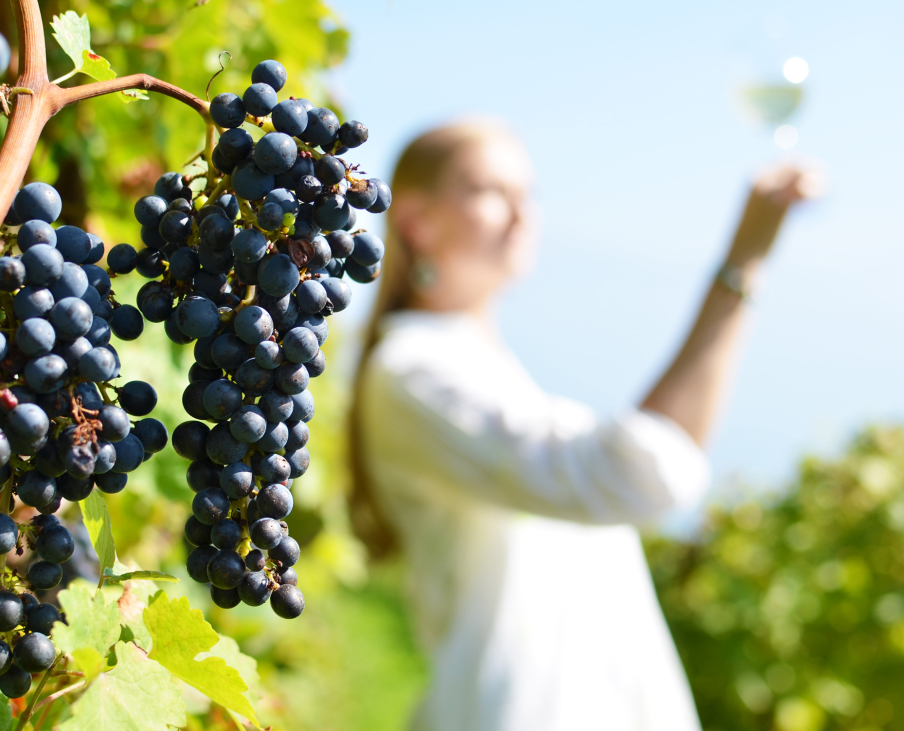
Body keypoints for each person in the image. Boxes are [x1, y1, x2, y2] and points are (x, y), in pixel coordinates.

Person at [349, 120, 822, 731]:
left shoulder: (469, 363)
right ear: (417, 221)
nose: (524, 212)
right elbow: (630, 476)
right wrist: (740, 267)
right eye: (491, 190)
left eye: (530, 192)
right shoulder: (415, 373)